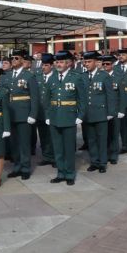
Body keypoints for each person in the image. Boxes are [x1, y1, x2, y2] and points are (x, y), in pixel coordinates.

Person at [45, 51, 86, 185]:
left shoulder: (76, 77)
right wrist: (47, 115)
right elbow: (47, 99)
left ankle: (69, 174)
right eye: (57, 62)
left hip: (69, 117)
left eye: (61, 62)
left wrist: (80, 115)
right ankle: (60, 173)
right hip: (55, 117)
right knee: (58, 148)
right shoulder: (51, 78)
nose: (58, 64)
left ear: (68, 63)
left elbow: (82, 99)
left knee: (68, 148)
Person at [1, 50, 39, 181]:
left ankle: (25, 168)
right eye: (12, 58)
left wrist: (33, 114)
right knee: (14, 143)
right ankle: (16, 167)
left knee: (24, 143)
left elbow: (35, 97)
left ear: (23, 60)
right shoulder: (8, 75)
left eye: (16, 58)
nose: (13, 60)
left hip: (24, 114)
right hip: (11, 114)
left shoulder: (29, 76)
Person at [82, 51, 114, 173]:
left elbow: (110, 96)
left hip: (101, 113)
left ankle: (102, 162)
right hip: (87, 114)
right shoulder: (83, 76)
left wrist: (110, 112)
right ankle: (94, 161)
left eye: (89, 62)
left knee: (102, 139)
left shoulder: (104, 76)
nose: (86, 64)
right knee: (91, 139)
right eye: (85, 62)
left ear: (96, 62)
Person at [33, 53, 55, 167]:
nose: (43, 67)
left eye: (46, 65)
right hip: (40, 111)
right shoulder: (37, 75)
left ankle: (55, 157)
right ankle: (46, 156)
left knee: (54, 136)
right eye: (42, 65)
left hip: (53, 112)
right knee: (43, 136)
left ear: (52, 65)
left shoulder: (57, 76)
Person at [101, 55, 121, 165]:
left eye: (107, 64)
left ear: (112, 65)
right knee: (104, 134)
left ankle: (113, 155)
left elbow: (122, 95)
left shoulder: (118, 76)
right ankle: (106, 153)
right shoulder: (100, 76)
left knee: (114, 133)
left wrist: (121, 110)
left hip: (114, 109)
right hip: (103, 109)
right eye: (103, 64)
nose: (105, 66)